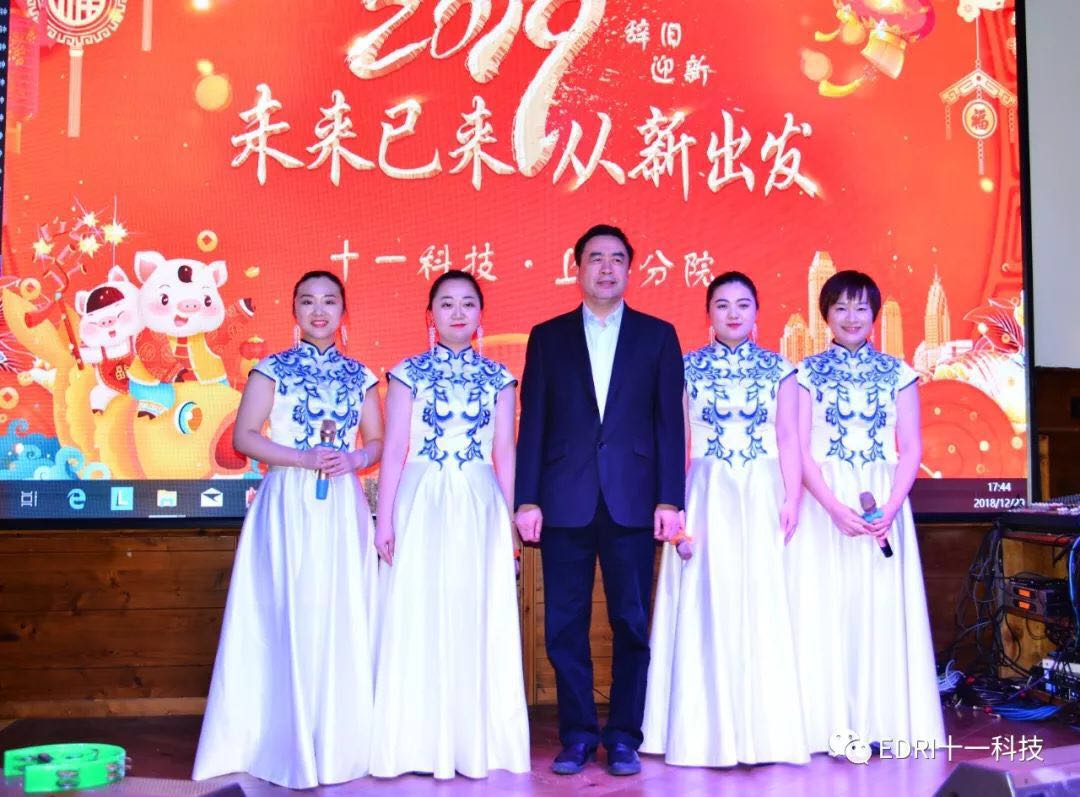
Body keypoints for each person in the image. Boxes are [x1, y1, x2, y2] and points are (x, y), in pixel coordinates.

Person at [193, 270, 383, 788]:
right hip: (285, 503)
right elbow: (244, 438)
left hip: (340, 504)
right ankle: (278, 741)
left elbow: (377, 441)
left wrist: (355, 458)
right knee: (285, 611)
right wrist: (301, 457)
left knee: (336, 609)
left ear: (344, 311)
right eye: (307, 301)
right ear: (294, 310)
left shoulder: (361, 376)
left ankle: (337, 741)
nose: (319, 311)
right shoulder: (270, 369)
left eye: (329, 301)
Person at [515, 224, 685, 777]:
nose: (606, 268)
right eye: (595, 258)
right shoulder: (548, 337)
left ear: (630, 269)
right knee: (564, 626)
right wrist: (527, 498)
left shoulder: (658, 336)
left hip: (633, 501)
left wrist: (669, 499)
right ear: (577, 268)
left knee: (631, 623)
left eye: (616, 259)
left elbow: (669, 424)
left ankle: (625, 737)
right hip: (564, 501)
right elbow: (533, 422)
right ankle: (578, 735)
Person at [642, 271, 810, 766]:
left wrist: (793, 497)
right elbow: (675, 440)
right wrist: (674, 505)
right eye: (722, 304)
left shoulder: (780, 369)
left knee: (763, 601)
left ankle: (767, 734)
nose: (733, 313)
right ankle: (701, 733)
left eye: (742, 304)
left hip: (763, 494)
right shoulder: (686, 367)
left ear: (757, 312)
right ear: (708, 313)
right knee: (705, 601)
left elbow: (788, 438)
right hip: (706, 492)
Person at [369, 270, 530, 780]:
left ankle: (475, 741)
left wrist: (510, 525)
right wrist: (384, 520)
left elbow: (505, 454)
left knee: (474, 611)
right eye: (446, 303)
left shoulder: (500, 378)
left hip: (480, 504)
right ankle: (414, 744)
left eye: (467, 303)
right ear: (430, 315)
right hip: (422, 501)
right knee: (418, 612)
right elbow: (395, 450)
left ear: (481, 315)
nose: (457, 312)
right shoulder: (406, 374)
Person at [785, 270, 945, 753]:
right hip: (824, 503)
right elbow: (799, 449)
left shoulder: (899, 372)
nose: (851, 317)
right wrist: (833, 508)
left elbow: (911, 447)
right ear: (825, 315)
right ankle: (824, 727)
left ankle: (882, 724)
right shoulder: (804, 372)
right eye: (840, 308)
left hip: (884, 501)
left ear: (874, 314)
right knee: (825, 608)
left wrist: (892, 507)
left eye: (860, 307)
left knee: (879, 610)